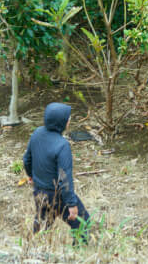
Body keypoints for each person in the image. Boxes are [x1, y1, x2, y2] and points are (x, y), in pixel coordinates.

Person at [23, 102, 91, 242]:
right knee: (83, 222)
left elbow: (27, 159)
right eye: (68, 118)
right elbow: (64, 179)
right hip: (56, 195)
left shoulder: (37, 133)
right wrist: (71, 204)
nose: (69, 120)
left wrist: (30, 175)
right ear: (62, 123)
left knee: (42, 226)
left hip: (39, 192)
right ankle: (79, 252)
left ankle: (35, 251)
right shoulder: (62, 145)